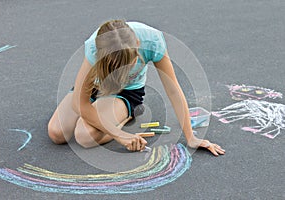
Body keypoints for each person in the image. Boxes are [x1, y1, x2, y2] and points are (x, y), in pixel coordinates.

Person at [48, 19, 225, 156]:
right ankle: (118, 122)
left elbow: (172, 89)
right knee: (57, 134)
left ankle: (127, 113)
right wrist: (120, 135)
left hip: (124, 92)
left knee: (84, 136)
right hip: (95, 86)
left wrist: (191, 137)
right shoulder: (96, 46)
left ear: (137, 47)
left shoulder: (152, 41)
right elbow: (80, 104)